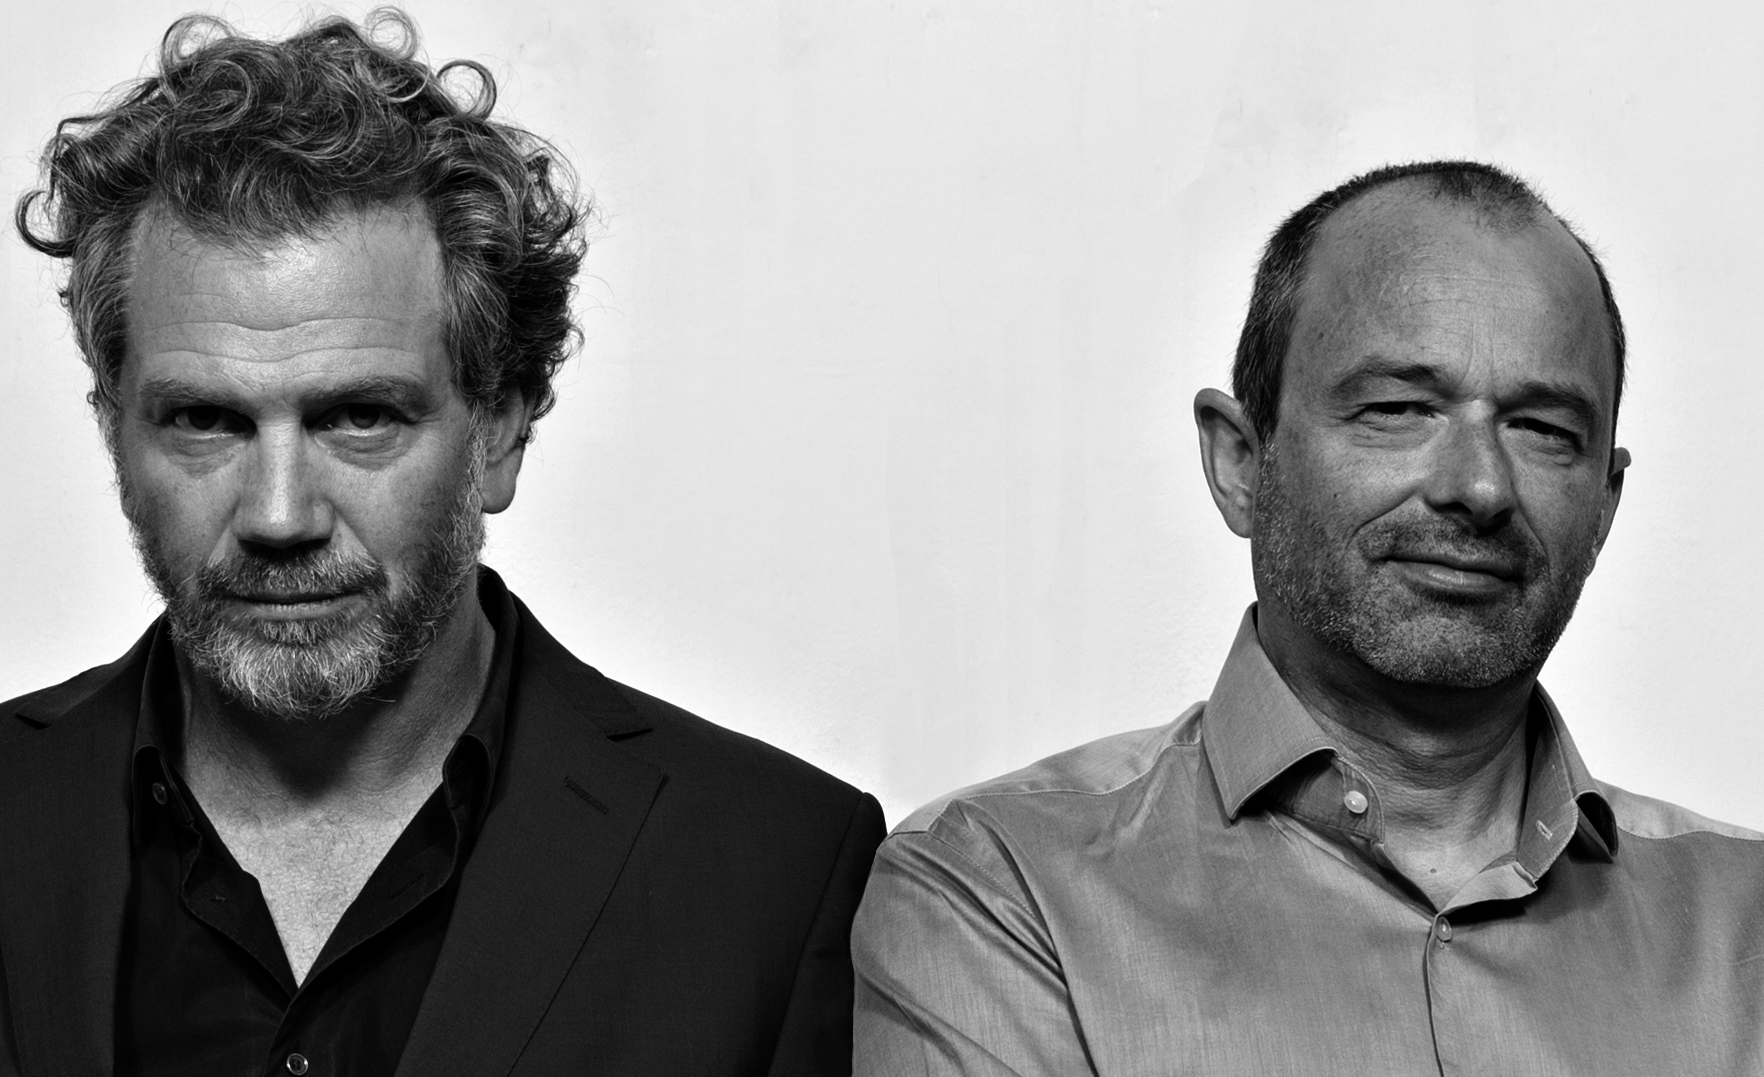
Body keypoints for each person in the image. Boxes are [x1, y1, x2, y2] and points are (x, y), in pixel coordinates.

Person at [0, 11, 882, 1075]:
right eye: (205, 420)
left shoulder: (776, 872)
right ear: (113, 432)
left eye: (359, 416)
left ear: (500, 428)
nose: (279, 514)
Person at [851, 161, 1764, 1074]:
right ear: (1241, 463)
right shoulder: (1005, 887)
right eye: (1397, 409)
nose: (1481, 486)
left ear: (1603, 507)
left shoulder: (1748, 922)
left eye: (1544, 430)